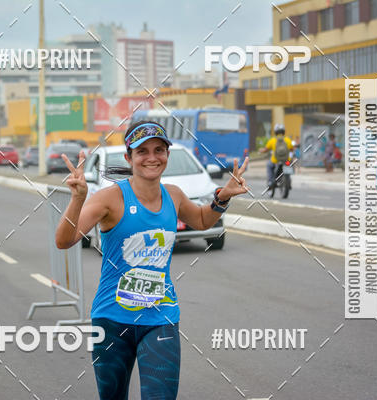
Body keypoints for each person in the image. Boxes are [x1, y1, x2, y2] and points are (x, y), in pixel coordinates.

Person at [55, 121, 248, 400]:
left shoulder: (174, 195)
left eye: (159, 150)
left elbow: (201, 219)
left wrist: (222, 198)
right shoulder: (110, 198)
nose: (152, 157)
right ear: (129, 157)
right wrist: (78, 199)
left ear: (167, 154)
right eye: (142, 151)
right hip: (112, 320)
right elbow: (64, 240)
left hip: (160, 317)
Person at [259, 123, 293, 188]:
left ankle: (270, 181)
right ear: (283, 131)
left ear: (275, 132)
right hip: (286, 161)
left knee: (269, 165)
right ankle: (289, 181)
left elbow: (265, 150)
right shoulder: (288, 140)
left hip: (275, 161)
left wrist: (261, 150)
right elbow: (292, 149)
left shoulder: (272, 140)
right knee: (290, 164)